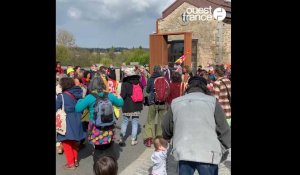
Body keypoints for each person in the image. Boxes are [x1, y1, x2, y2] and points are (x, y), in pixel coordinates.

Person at [162, 76, 231, 175]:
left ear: (188, 87)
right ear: (205, 87)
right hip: (208, 152)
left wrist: (168, 136)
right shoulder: (212, 102)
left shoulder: (176, 102)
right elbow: (224, 128)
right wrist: (224, 147)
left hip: (184, 151)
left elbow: (166, 126)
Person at [75, 77, 123, 162]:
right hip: (109, 126)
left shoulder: (90, 97)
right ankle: (110, 166)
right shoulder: (109, 95)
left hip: (95, 127)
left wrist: (80, 100)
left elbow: (78, 109)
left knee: (98, 148)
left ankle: (99, 167)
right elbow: (120, 103)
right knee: (108, 147)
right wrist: (119, 97)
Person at [56, 77, 86, 170]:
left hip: (67, 120)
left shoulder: (61, 96)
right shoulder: (78, 93)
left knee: (66, 142)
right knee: (73, 141)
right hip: (77, 119)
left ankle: (71, 163)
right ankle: (75, 160)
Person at [143, 65, 167, 147]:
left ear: (153, 70)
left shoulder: (151, 78)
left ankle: (149, 139)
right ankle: (159, 138)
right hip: (163, 102)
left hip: (152, 102)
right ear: (160, 70)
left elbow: (147, 90)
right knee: (161, 121)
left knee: (150, 121)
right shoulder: (164, 78)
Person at [119, 67, 143, 146]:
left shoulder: (125, 83)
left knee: (125, 122)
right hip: (137, 106)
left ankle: (122, 139)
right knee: (135, 123)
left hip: (127, 106)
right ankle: (133, 140)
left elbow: (123, 95)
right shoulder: (138, 83)